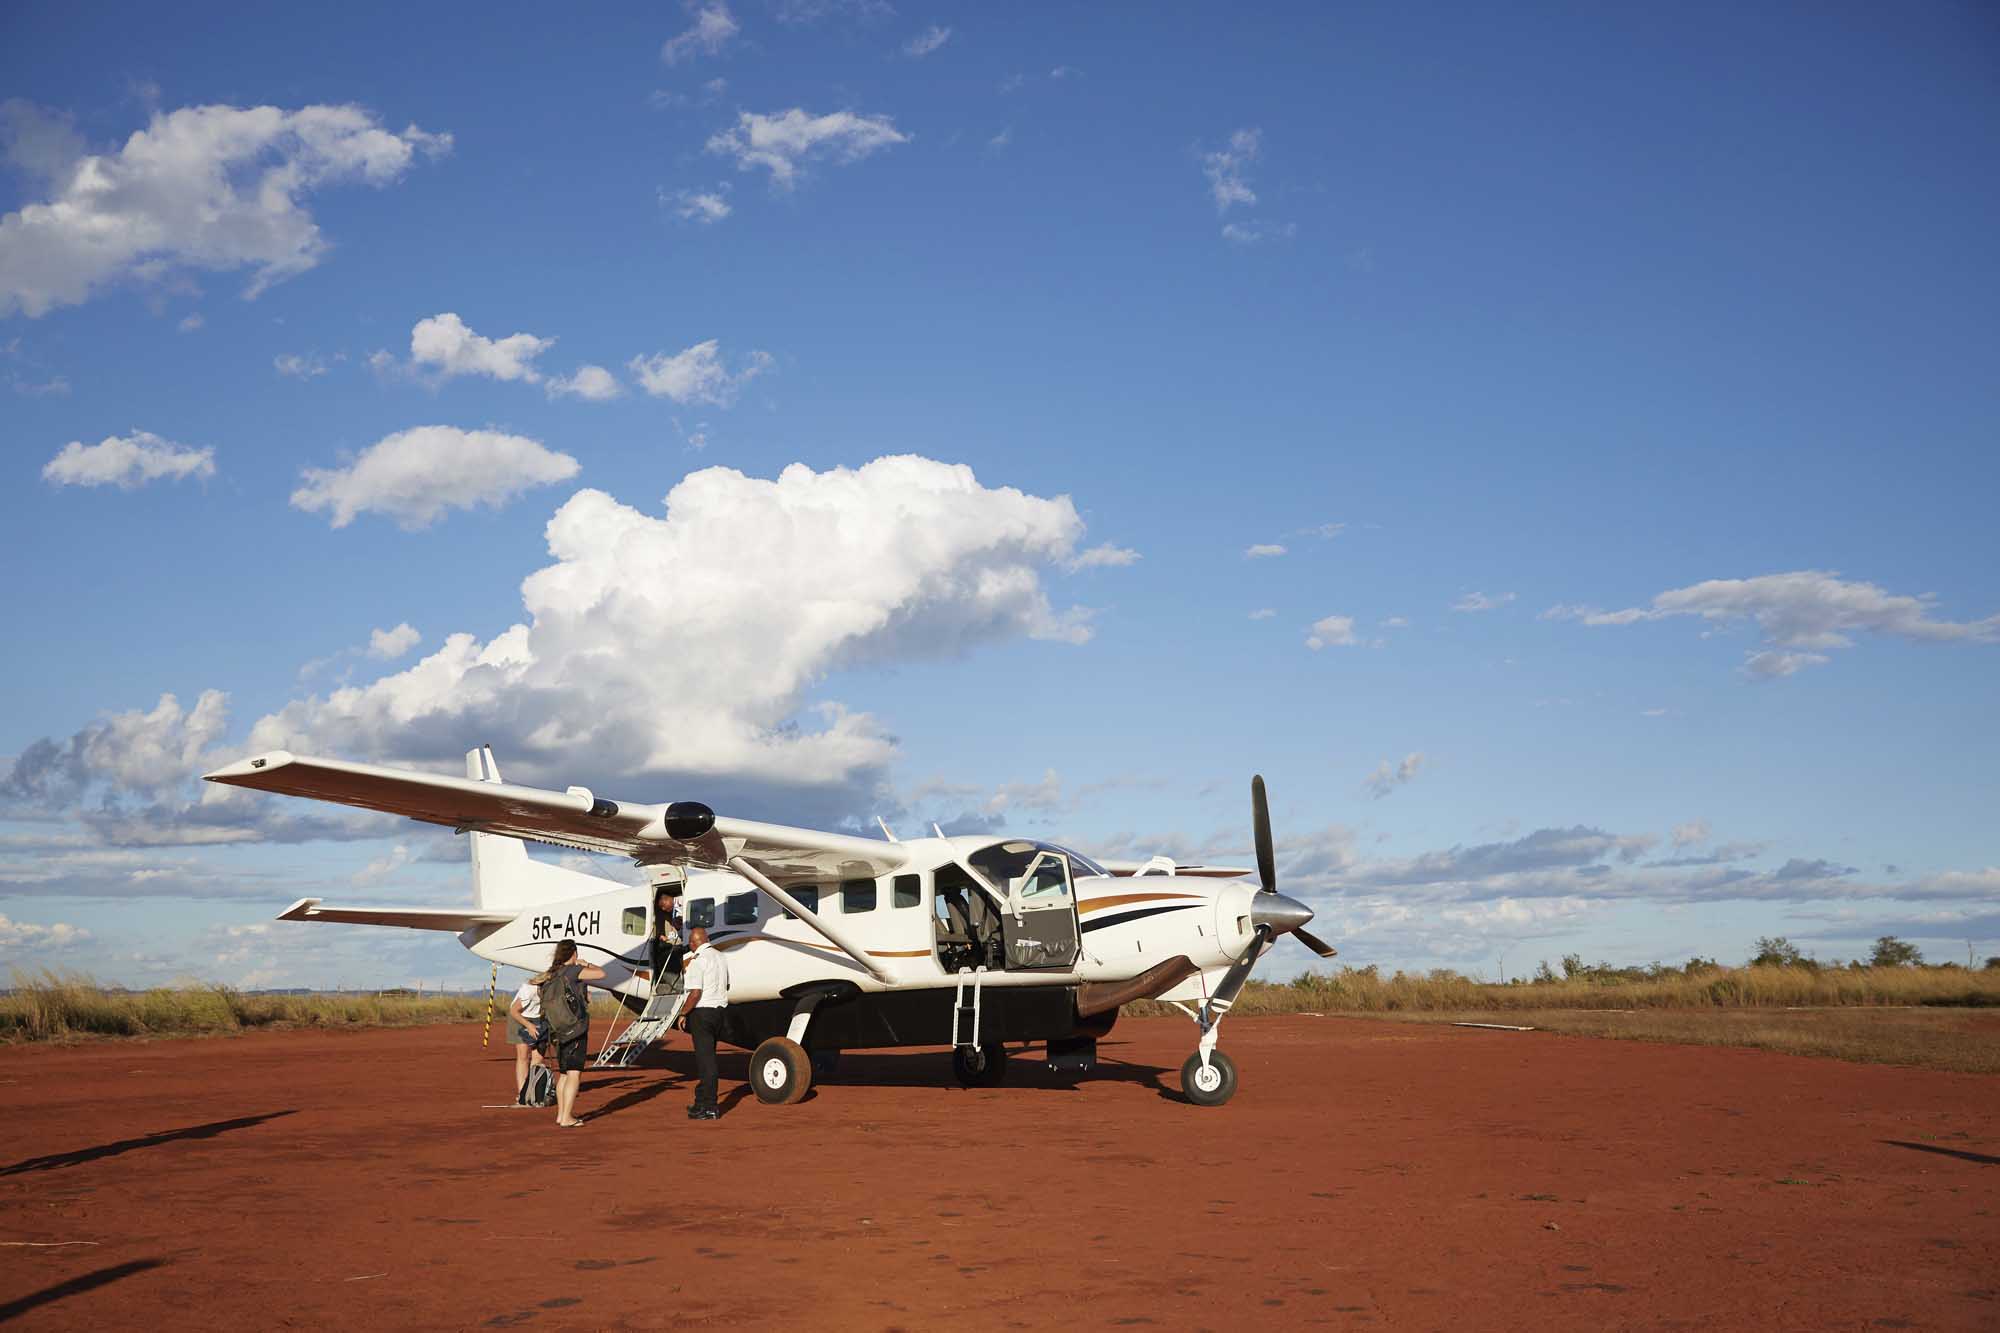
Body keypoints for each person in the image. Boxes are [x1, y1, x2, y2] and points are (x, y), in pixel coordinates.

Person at [529, 939, 605, 1127]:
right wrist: (585, 964)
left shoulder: (551, 974)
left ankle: (561, 1114)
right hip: (575, 1029)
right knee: (574, 1073)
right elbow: (602, 974)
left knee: (563, 1073)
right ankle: (566, 1117)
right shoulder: (573, 971)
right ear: (574, 953)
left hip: (557, 1030)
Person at [677, 926, 730, 1120]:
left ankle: (708, 1106)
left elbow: (695, 993)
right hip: (719, 1013)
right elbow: (728, 985)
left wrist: (683, 1013)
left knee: (706, 1062)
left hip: (702, 1014)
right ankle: (702, 1102)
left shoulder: (697, 962)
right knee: (708, 1058)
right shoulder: (721, 957)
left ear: (693, 943)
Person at [505, 973, 550, 1106]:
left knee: (538, 1058)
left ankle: (533, 1092)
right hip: (520, 1019)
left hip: (538, 1019)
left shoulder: (553, 992)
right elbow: (514, 1011)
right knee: (523, 1056)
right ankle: (522, 1094)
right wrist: (528, 1025)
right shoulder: (529, 990)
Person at [649, 884, 684, 980]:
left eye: (663, 906)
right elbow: (678, 932)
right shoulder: (672, 913)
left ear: (668, 899)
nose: (663, 909)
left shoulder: (682, 901)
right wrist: (667, 938)